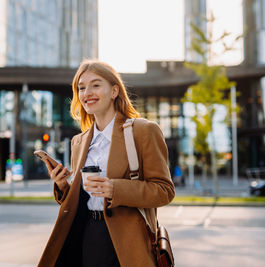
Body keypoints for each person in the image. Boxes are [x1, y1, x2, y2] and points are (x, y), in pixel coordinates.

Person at [38, 59, 175, 267]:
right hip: (89, 234)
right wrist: (63, 186)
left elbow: (164, 190)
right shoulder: (79, 141)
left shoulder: (143, 131)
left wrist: (115, 189)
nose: (87, 93)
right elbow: (83, 198)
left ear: (114, 91)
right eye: (81, 88)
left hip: (130, 241)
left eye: (95, 85)